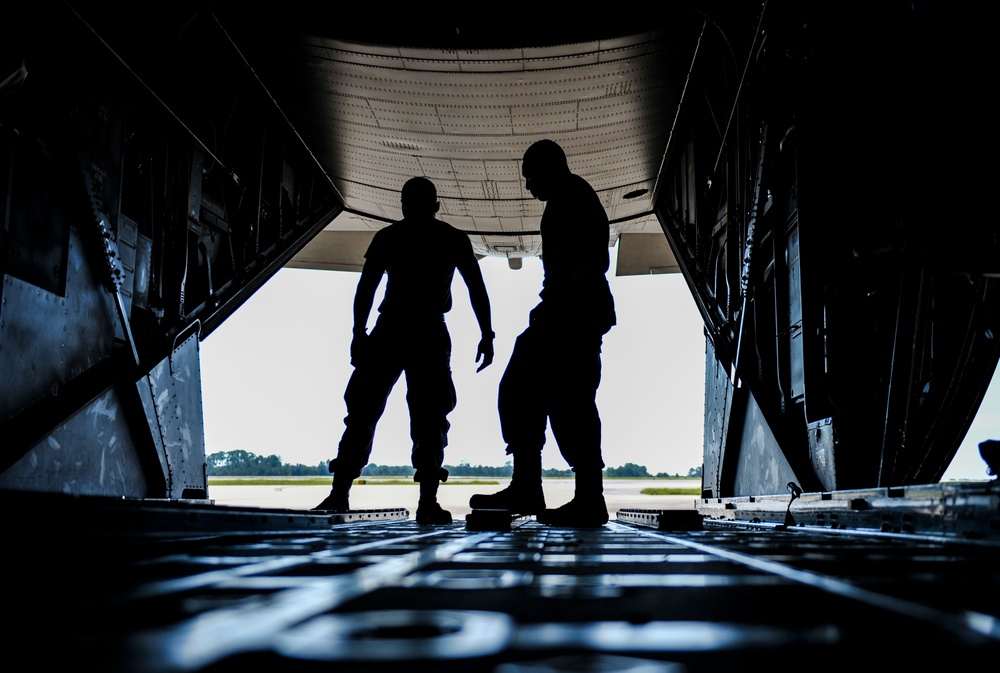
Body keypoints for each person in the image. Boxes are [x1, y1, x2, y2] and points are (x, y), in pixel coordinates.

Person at [313, 176, 495, 524]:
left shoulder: (389, 237)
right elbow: (476, 288)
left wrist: (358, 332)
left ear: (403, 204)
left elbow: (366, 287)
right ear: (436, 205)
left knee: (363, 412)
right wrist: (487, 334)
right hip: (429, 332)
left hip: (389, 331)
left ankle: (339, 494)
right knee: (430, 417)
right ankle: (428, 502)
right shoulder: (451, 239)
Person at [470, 139, 616, 527]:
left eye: (530, 177)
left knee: (568, 401)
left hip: (572, 311)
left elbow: (592, 261)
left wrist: (561, 301)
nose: (528, 187)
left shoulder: (572, 198)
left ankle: (577, 495)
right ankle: (536, 487)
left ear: (549, 168)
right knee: (535, 392)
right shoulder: (568, 198)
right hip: (568, 310)